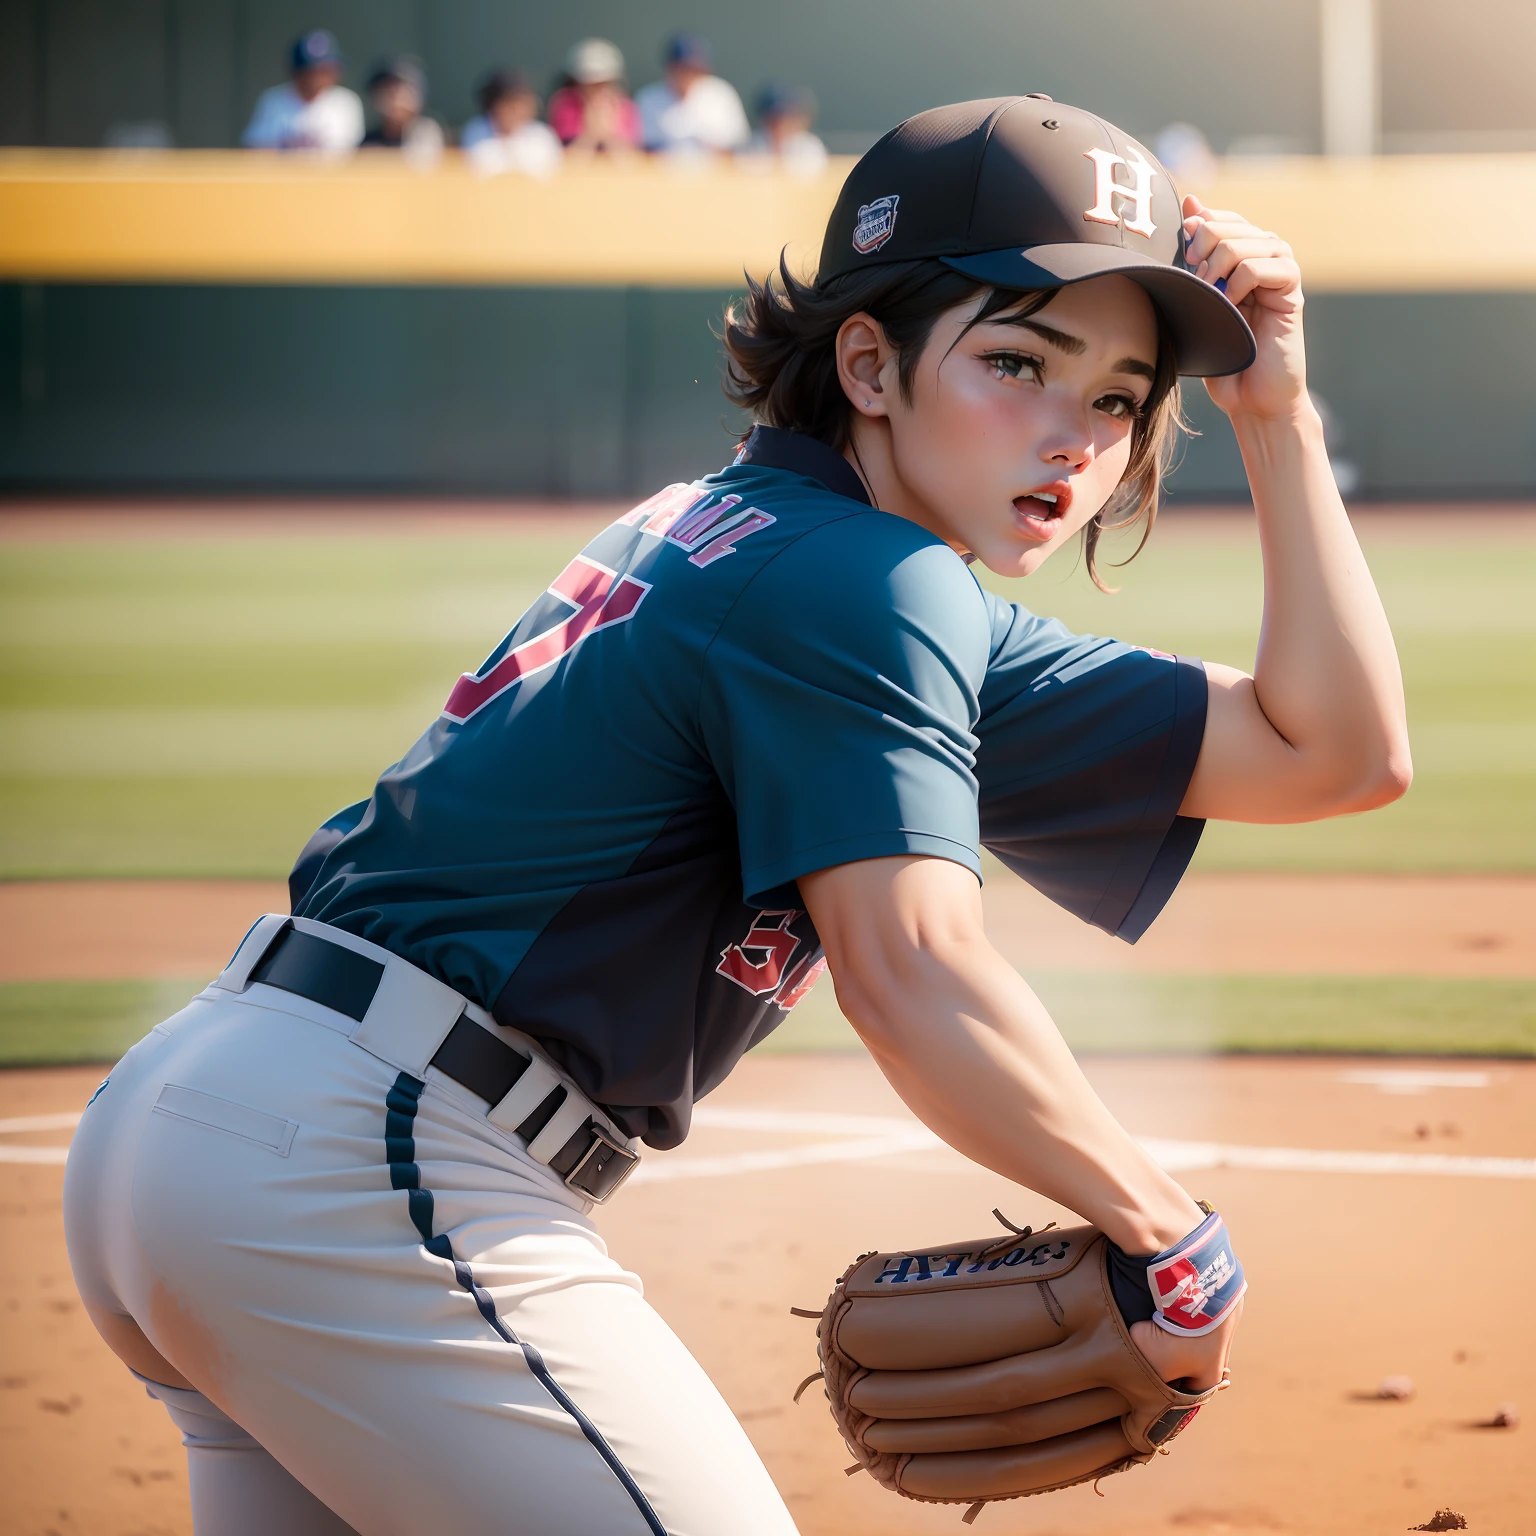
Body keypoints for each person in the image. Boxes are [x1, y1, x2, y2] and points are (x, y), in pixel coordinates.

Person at [63, 97, 1409, 1534]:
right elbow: (915, 974)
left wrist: (1277, 410)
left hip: (214, 1133)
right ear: (871, 364)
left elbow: (1327, 751)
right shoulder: (864, 588)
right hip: (363, 1170)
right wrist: (1165, 1233)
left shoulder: (776, 545)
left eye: (1122, 397)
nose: (1073, 436)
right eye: (1018, 360)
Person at [241, 29, 364, 153]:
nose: (324, 75)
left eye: (328, 69)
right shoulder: (273, 101)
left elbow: (350, 155)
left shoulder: (346, 102)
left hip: (331, 173)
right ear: (297, 72)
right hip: (283, 172)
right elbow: (255, 149)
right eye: (315, 70)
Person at [634, 32, 749, 156]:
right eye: (681, 68)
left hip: (715, 172)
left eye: (693, 68)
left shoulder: (721, 94)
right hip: (662, 173)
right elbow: (642, 150)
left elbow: (739, 146)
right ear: (669, 68)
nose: (687, 75)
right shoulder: (648, 99)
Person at [546, 37, 641, 155]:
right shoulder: (564, 104)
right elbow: (564, 159)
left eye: (604, 82)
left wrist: (609, 135)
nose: (598, 89)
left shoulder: (625, 106)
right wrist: (591, 135)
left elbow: (631, 161)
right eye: (591, 83)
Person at [460, 70, 562, 178]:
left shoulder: (542, 136)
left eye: (523, 103)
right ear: (493, 105)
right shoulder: (476, 131)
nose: (517, 110)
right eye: (510, 103)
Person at [360, 56, 444, 163]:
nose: (393, 99)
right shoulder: (370, 141)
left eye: (398, 90)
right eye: (385, 90)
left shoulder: (426, 131)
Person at [742, 83, 828, 177]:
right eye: (774, 117)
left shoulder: (810, 148)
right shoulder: (752, 145)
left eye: (790, 116)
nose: (782, 123)